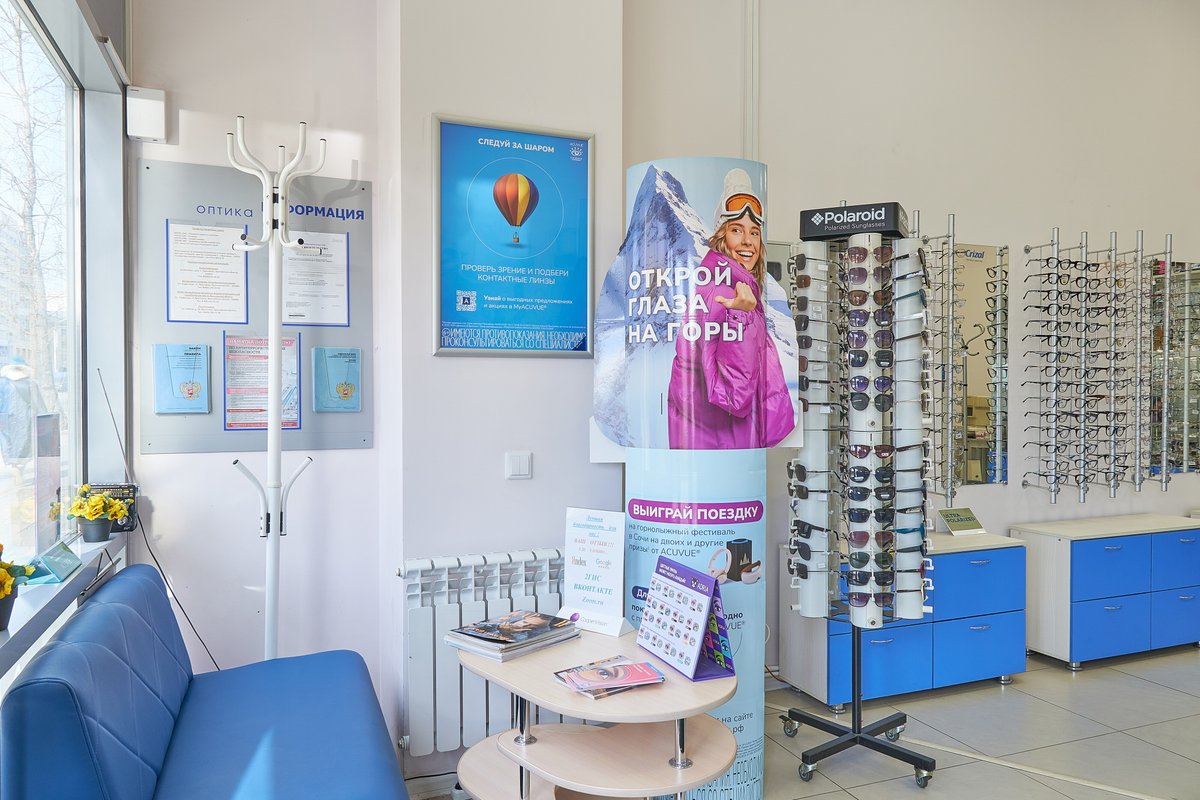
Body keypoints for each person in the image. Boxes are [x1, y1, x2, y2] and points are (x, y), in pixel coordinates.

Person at [667, 170, 795, 449]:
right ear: (721, 237)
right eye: (737, 230)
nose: (748, 241)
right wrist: (740, 318)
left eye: (754, 232)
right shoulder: (725, 295)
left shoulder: (724, 287)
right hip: (725, 451)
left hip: (713, 448)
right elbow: (735, 395)